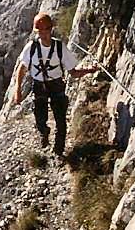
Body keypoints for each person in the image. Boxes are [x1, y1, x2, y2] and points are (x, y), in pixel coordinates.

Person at [14, 12, 97, 155]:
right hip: (39, 85)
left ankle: (58, 151)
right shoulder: (31, 48)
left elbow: (73, 72)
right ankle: (44, 133)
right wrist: (18, 90)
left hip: (56, 84)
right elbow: (22, 68)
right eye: (40, 31)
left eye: (46, 30)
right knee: (40, 117)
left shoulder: (60, 47)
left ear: (51, 29)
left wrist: (89, 70)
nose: (43, 34)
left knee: (60, 119)